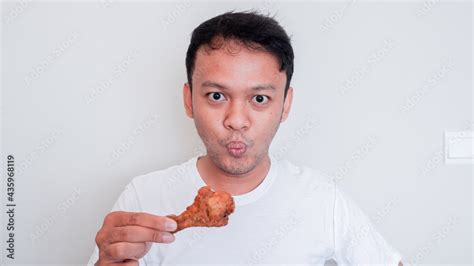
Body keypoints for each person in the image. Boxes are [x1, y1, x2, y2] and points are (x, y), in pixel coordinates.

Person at [88, 11, 403, 266]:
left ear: (285, 104)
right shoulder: (143, 198)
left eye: (260, 99)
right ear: (188, 100)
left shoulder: (322, 199)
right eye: (216, 95)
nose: (236, 120)